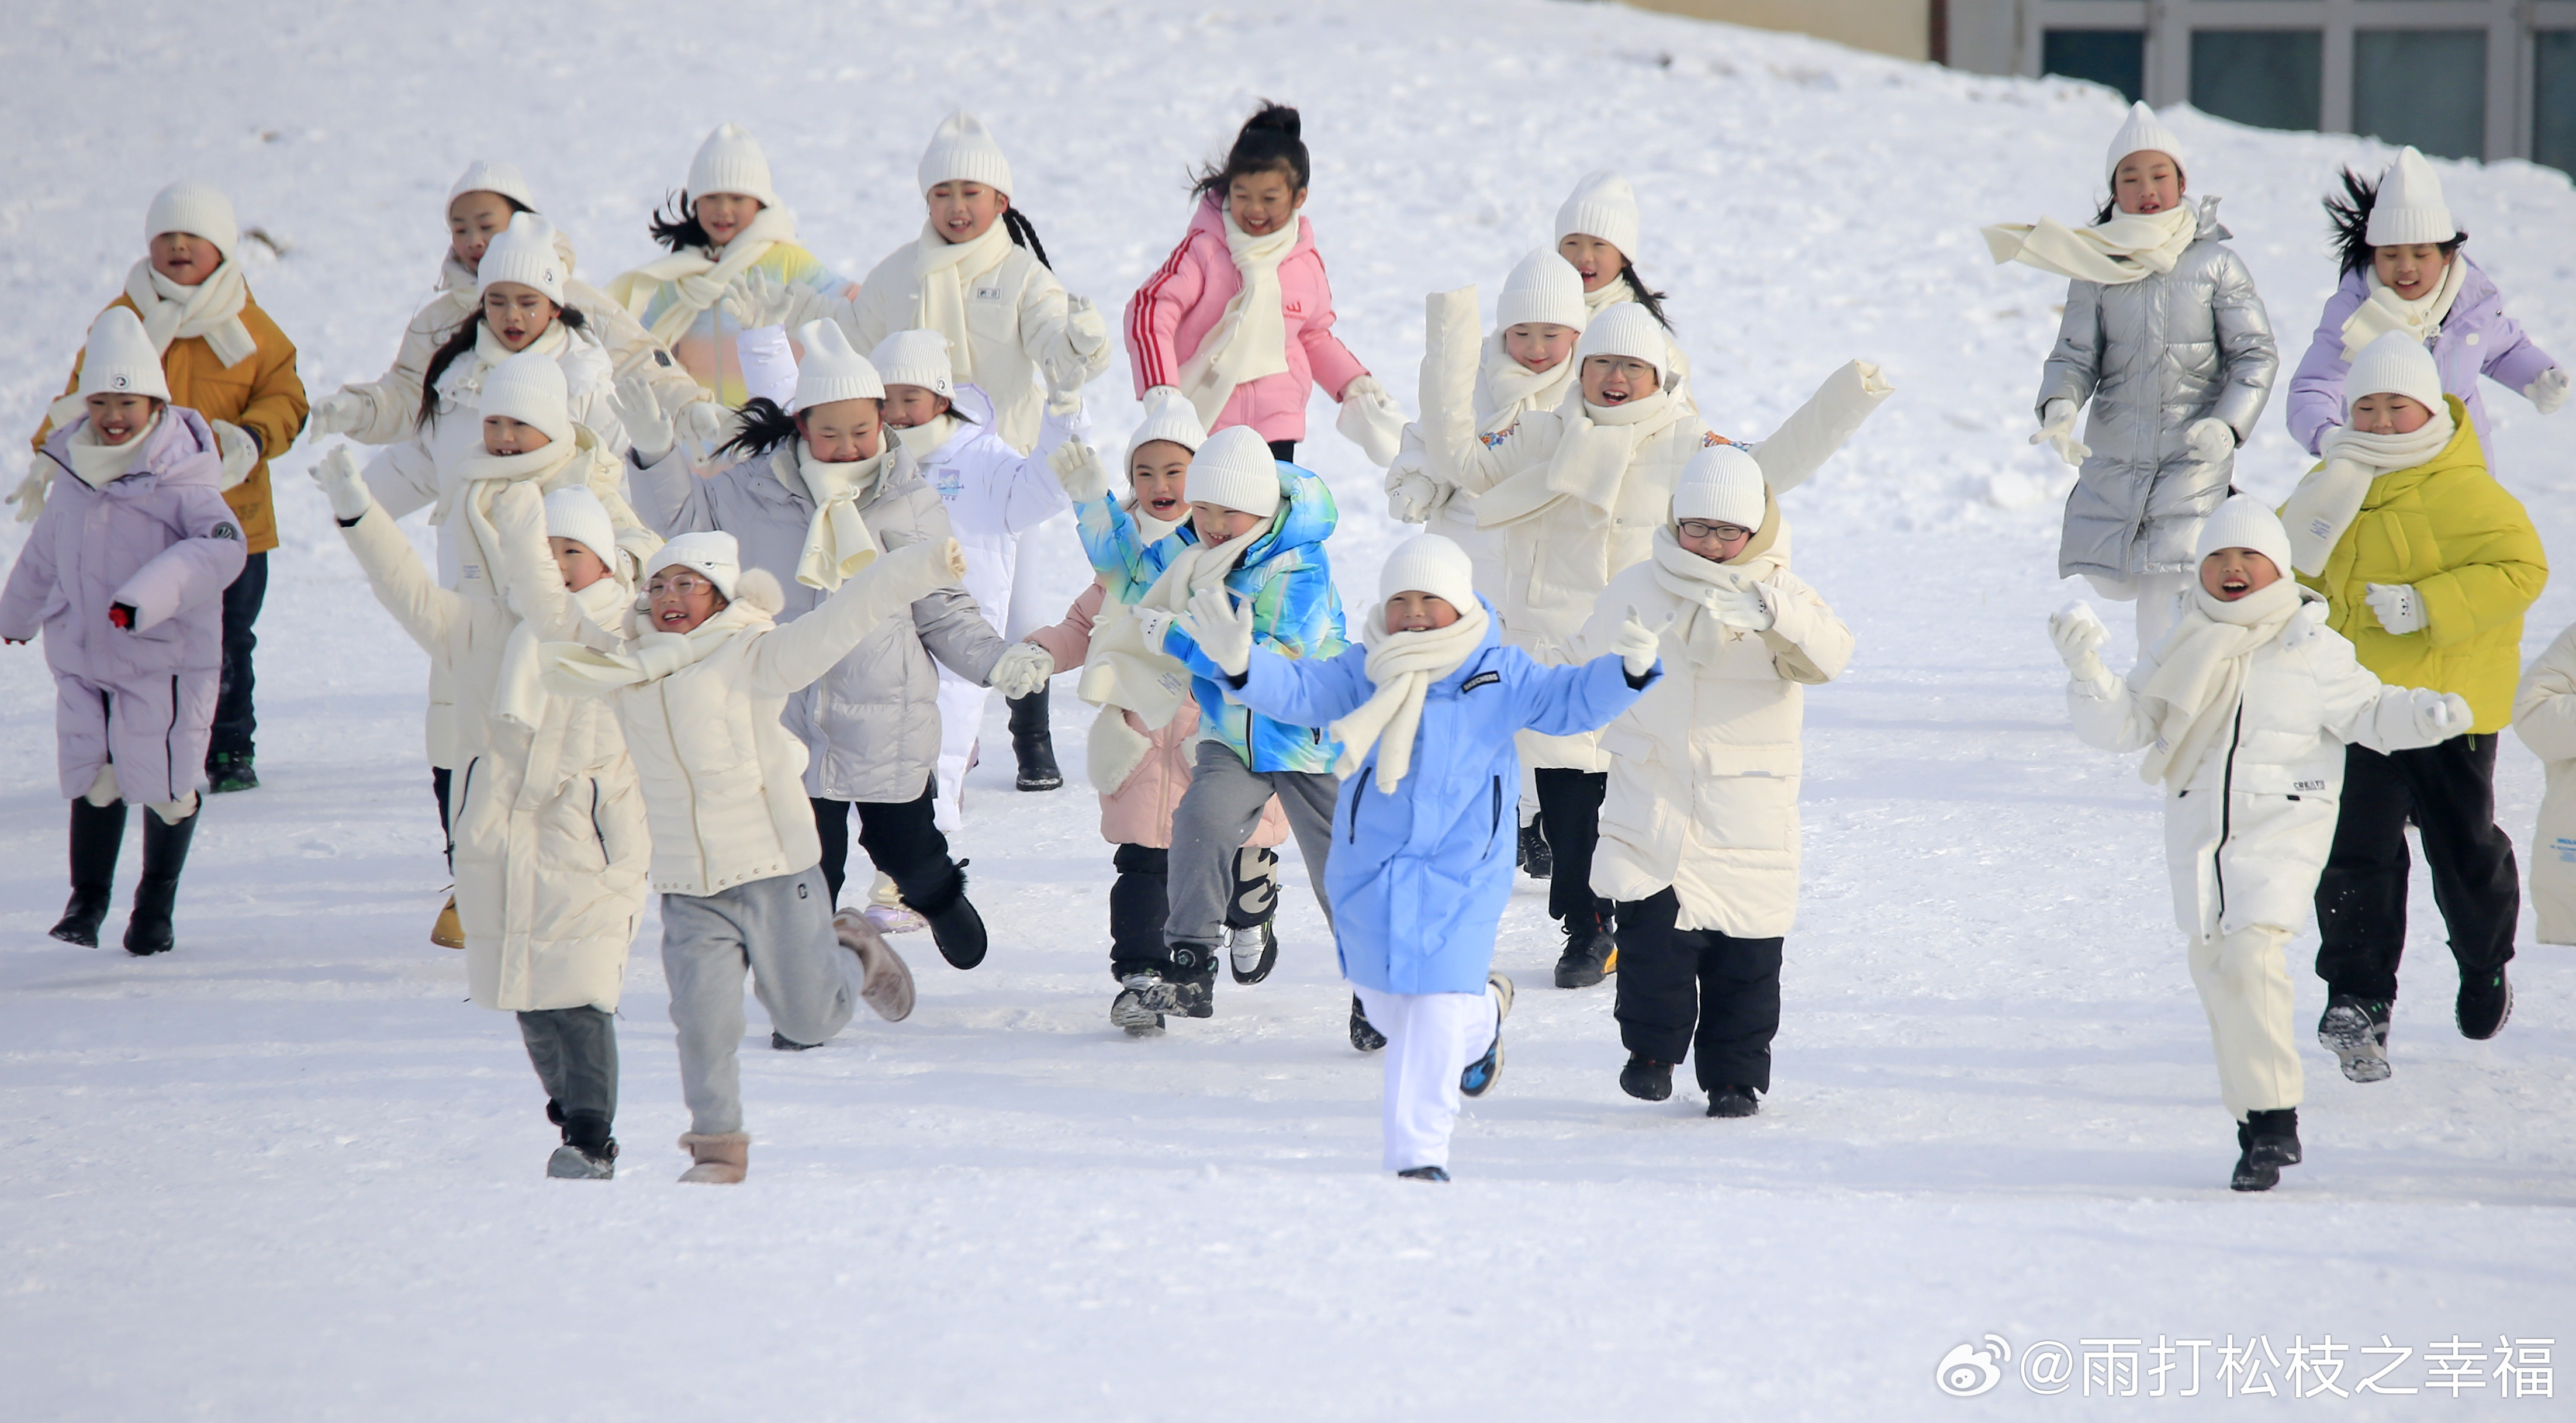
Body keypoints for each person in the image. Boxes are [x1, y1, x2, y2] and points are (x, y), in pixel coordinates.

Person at [1429, 302, 1887, 988]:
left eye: (1633, 367)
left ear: (1659, 376)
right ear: (1581, 370)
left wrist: (1848, 397)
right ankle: (1585, 929)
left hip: (1656, 650)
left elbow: (1764, 471)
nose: (1616, 378)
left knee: (1636, 801)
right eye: (1603, 364)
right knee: (1568, 805)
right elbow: (1464, 460)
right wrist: (1451, 331)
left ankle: (1646, 927)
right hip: (1566, 648)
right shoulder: (1546, 432)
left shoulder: (1690, 443)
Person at [1187, 534, 1659, 1178]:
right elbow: (1301, 690)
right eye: (1400, 598)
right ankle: (1486, 1012)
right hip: (1371, 870)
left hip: (1461, 875)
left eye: (1429, 600)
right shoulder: (1365, 667)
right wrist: (1242, 665)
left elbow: (1570, 700)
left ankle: (1418, 1159)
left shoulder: (1500, 673)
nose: (1412, 612)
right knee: (1387, 1005)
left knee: (1429, 1014)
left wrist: (1625, 672)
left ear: (1460, 604)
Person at [2054, 498, 2471, 1190]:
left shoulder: (2309, 645)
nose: (2234, 567)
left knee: (2251, 956)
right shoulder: (2183, 637)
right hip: (2199, 843)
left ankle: (2278, 1119)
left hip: (2283, 827)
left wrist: (2425, 714)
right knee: (2217, 970)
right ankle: (2255, 1126)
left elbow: (2369, 711)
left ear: (2278, 568)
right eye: (2219, 556)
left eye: (2250, 555)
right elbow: (2124, 727)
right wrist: (2087, 673)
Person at [618, 321, 1042, 970]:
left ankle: (937, 896)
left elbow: (943, 608)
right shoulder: (752, 489)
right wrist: (654, 452)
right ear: (801, 425)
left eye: (861, 431)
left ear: (883, 423)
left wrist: (997, 659)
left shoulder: (910, 500)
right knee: (807, 867)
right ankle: (812, 985)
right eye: (829, 432)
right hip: (786, 717)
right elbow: (680, 517)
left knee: (907, 852)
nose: (846, 448)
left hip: (886, 717)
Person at [541, 532, 955, 1183]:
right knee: (703, 1023)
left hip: (774, 869)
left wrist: (920, 561)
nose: (670, 596)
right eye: (659, 584)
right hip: (688, 884)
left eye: (688, 582)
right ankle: (717, 1151)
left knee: (807, 1019)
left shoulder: (753, 653)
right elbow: (547, 620)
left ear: (721, 591)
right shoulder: (627, 671)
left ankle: (853, 949)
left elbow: (846, 614)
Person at [314, 392, 651, 1179]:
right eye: (550, 550)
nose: (561, 565)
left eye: (576, 552)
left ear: (605, 561)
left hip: (590, 838)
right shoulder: (479, 626)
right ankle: (569, 1113)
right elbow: (405, 590)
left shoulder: (625, 633)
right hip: (498, 832)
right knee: (528, 994)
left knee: (585, 990)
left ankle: (593, 1136)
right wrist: (359, 512)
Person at [358, 215, 658, 946]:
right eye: (497, 301)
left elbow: (635, 534)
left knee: (558, 770)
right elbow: (409, 470)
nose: (502, 441)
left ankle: (572, 885)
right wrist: (354, 502)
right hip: (467, 631)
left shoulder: (582, 456)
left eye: (528, 301)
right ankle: (473, 882)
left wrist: (619, 574)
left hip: (551, 645)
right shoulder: (458, 409)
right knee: (460, 756)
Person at [2280, 333, 2544, 1081]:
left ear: (2428, 406)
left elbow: (2522, 568)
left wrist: (2426, 603)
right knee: (2355, 851)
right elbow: (2276, 558)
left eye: (2399, 406)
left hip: (2448, 708)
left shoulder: (2466, 488)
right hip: (2357, 705)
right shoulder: (2330, 483)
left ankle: (2484, 961)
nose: (2384, 421)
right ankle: (2358, 998)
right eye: (2367, 406)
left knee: (2461, 848)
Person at [1580, 447, 1852, 1118]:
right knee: (1653, 942)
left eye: (1728, 531)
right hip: (1657, 792)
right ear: (1675, 521)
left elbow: (1833, 655)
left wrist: (1776, 618)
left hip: (1747, 807)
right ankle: (1651, 1054)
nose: (1710, 543)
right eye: (1696, 527)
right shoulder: (1639, 584)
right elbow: (1586, 659)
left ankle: (1734, 1077)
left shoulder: (1783, 589)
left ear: (1755, 530)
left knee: (1747, 957)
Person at [18, 180, 306, 794]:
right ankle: (139, 742)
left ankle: (227, 744)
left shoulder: (251, 328)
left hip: (232, 517)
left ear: (223, 250)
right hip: (136, 521)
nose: (177, 246)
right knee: (138, 633)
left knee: (227, 635)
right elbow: (82, 393)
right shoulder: (123, 322)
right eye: (165, 237)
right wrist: (52, 453)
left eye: (192, 237)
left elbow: (288, 396)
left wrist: (253, 436)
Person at [1075, 426, 1357, 1038]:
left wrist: (1178, 640)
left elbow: (1276, 658)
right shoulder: (1190, 547)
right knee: (1198, 820)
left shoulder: (1300, 563)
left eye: (1230, 510)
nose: (1214, 523)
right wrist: (1090, 500)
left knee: (1340, 864)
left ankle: (1380, 984)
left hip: (1306, 738)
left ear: (1261, 505)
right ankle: (1189, 964)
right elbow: (1130, 573)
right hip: (1231, 738)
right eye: (1203, 507)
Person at [1028, 391, 1294, 1028]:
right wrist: (1038, 654)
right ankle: (1144, 975)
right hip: (1142, 738)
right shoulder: (1120, 558)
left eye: (1175, 471)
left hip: (1218, 735)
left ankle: (1250, 908)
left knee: (1231, 844)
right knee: (1145, 862)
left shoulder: (1236, 549)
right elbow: (1082, 624)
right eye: (1144, 473)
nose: (1159, 485)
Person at [1987, 101, 2277, 654]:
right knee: (2112, 576)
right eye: (2131, 177)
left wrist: (2228, 424)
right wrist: (2059, 407)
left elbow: (2254, 355)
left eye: (2159, 175)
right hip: (2115, 449)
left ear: (2181, 181)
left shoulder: (2215, 265)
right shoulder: (2096, 265)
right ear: (2113, 191)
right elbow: (2074, 353)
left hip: (2191, 450)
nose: (2147, 188)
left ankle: (2161, 688)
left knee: (2162, 576)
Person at [4, 308, 244, 955]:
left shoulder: (182, 474)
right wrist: (14, 616)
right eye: (102, 400)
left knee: (165, 787)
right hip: (83, 655)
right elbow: (45, 553)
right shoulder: (77, 469)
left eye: (128, 401)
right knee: (94, 775)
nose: (114, 415)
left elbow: (224, 547)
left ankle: (154, 906)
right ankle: (86, 904)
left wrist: (145, 598)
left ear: (155, 402)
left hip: (162, 664)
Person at [1384, 251, 1592, 879]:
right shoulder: (1475, 378)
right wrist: (1420, 482)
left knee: (1539, 695)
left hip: (1546, 565)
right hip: (1469, 558)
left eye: (1549, 335)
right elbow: (1429, 437)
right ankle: (1483, 818)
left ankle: (1537, 813)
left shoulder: (1588, 387)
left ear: (1577, 335)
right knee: (1476, 693)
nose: (1533, 348)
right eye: (1520, 334)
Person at [304, 158, 711, 448]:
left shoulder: (577, 303)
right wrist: (357, 409)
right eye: (460, 229)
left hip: (577, 507)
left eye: (486, 225)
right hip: (484, 507)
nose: (473, 241)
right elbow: (410, 394)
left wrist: (689, 407)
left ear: (521, 222)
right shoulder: (440, 321)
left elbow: (640, 362)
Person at [1124, 102, 1402, 464]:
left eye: (1269, 199)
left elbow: (1312, 336)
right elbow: (1151, 309)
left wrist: (1353, 383)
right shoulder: (1206, 251)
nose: (1255, 210)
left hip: (1277, 424)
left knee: (1270, 520)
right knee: (1209, 520)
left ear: (1298, 197)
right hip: (1204, 421)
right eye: (1242, 196)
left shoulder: (1303, 263)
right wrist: (1162, 391)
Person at [2285, 146, 2565, 463]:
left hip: (2459, 460)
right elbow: (2316, 383)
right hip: (2379, 458)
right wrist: (2327, 435)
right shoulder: (2355, 311)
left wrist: (2539, 376)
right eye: (2390, 255)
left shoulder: (2472, 305)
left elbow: (2504, 350)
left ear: (2447, 255)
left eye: (2420, 254)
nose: (2405, 267)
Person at [602, 125, 855, 423]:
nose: (723, 210)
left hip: (778, 424)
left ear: (760, 202)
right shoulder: (682, 274)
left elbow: (852, 312)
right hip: (705, 427)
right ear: (695, 202)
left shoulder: (785, 258)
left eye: (737, 199)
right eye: (711, 198)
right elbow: (647, 343)